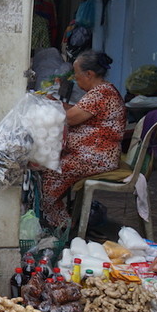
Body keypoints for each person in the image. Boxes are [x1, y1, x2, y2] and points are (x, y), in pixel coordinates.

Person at [41, 50, 126, 229]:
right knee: (51, 166)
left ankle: (62, 226)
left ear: (89, 74)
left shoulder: (101, 93)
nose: (75, 78)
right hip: (94, 154)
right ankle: (57, 218)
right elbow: (77, 110)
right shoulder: (102, 91)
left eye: (76, 74)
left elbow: (71, 118)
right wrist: (56, 104)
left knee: (51, 171)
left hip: (97, 157)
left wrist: (52, 107)